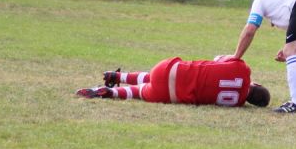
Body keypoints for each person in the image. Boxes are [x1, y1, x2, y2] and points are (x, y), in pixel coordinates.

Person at [75, 56, 270, 108]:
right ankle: (113, 92)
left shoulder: (243, 70)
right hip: (171, 96)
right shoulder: (236, 103)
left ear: (258, 85)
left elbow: (220, 58)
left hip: (171, 69)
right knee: (140, 91)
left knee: (152, 76)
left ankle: (119, 77)